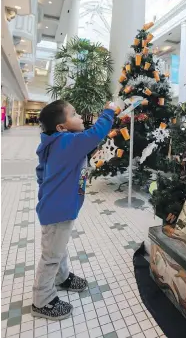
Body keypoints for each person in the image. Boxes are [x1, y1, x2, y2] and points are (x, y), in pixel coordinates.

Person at [32, 100, 116, 320]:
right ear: (62, 127)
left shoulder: (57, 142)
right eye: (75, 114)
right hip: (58, 210)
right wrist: (108, 111)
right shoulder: (67, 141)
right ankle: (42, 301)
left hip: (58, 207)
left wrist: (46, 190)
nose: (80, 117)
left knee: (58, 250)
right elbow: (94, 134)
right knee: (51, 256)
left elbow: (41, 170)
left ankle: (61, 278)